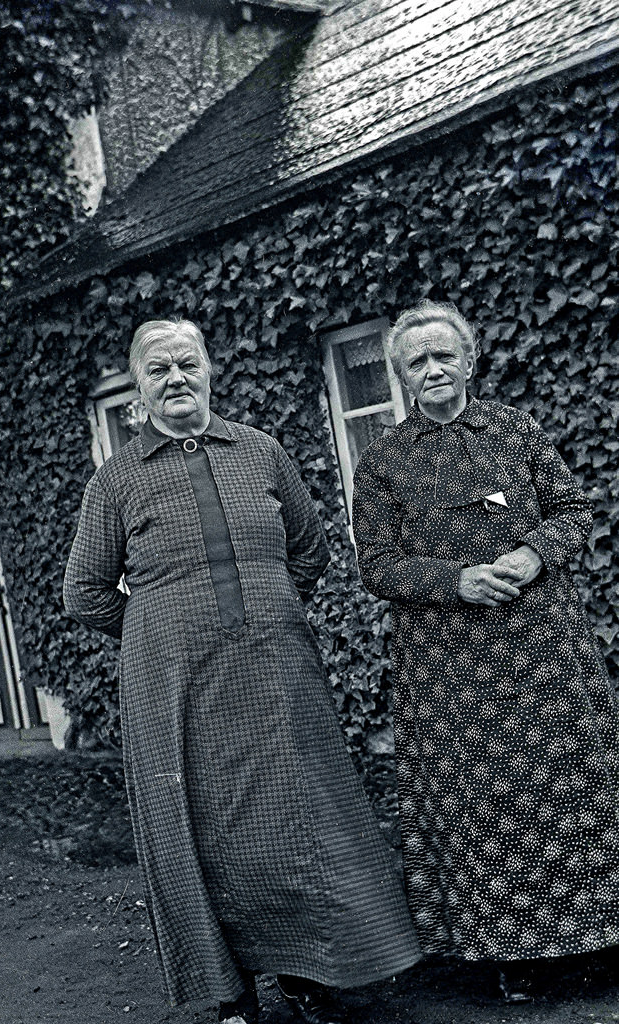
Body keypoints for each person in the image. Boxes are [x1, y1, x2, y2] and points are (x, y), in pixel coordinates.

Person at [64, 319, 420, 1024]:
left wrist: (263, 608)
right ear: (138, 387)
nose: (176, 380)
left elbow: (310, 552)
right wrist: (160, 633)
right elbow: (86, 593)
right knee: (200, 826)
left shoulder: (261, 451)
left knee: (300, 815)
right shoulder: (116, 480)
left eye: (187, 364)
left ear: (209, 370)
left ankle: (312, 969)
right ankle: (230, 991)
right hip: (175, 690)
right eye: (159, 369)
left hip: (277, 671)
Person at [352, 299, 619, 1002]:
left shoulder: (516, 429)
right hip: (449, 668)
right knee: (484, 799)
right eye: (418, 361)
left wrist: (532, 555)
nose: (434, 368)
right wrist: (458, 580)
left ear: (471, 359)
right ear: (402, 377)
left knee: (577, 781)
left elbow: (573, 510)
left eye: (445, 355)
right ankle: (515, 957)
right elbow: (376, 565)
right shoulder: (382, 462)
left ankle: (601, 939)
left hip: (543, 648)